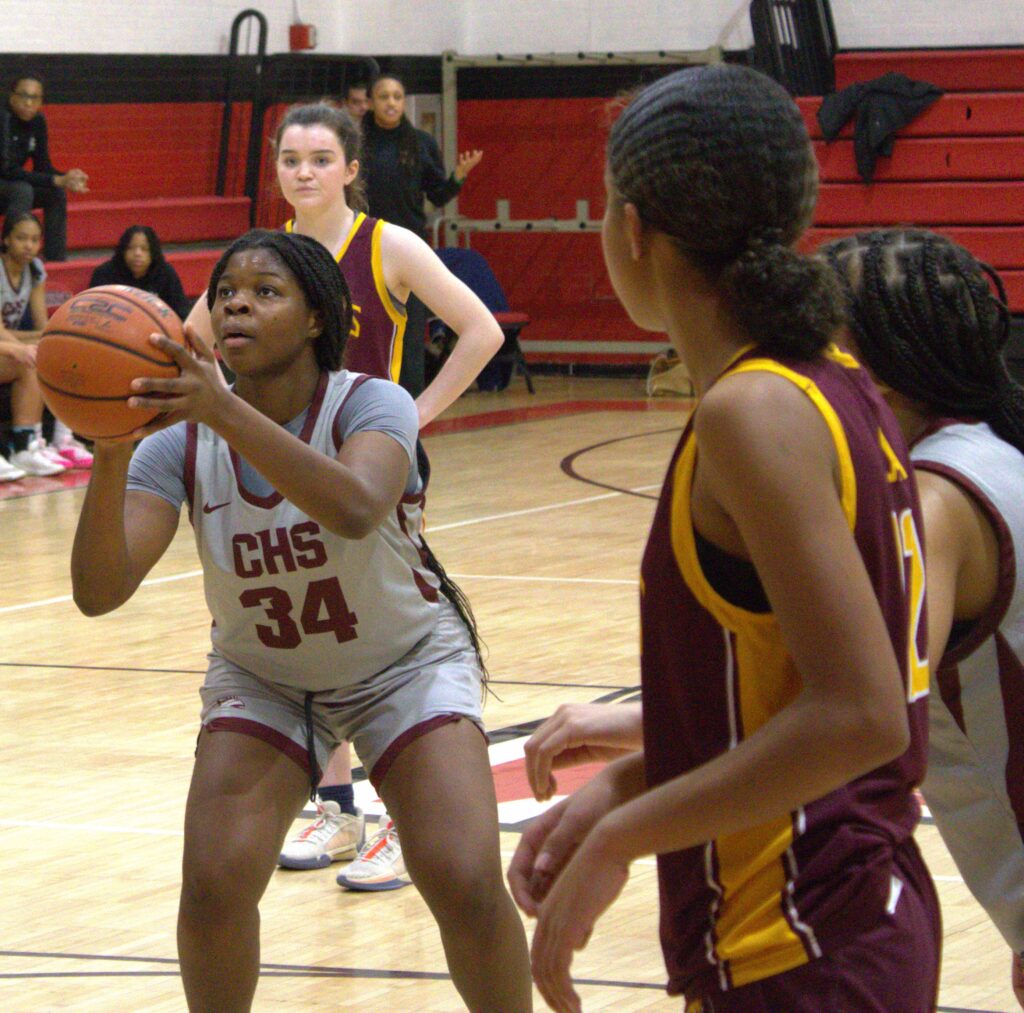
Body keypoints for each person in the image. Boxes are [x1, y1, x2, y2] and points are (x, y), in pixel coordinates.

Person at [507, 64, 939, 1013]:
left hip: (804, 936)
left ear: (634, 229)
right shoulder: (828, 379)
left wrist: (628, 830)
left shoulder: (752, 410)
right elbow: (791, 696)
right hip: (842, 919)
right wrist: (629, 778)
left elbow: (863, 713)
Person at [71, 228, 532, 1012]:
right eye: (225, 294)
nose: (237, 303)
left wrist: (220, 408)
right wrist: (111, 454)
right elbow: (99, 590)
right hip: (268, 679)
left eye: (265, 290)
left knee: (461, 876)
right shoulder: (178, 444)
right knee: (213, 885)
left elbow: (355, 508)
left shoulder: (371, 403)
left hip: (406, 664)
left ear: (318, 317)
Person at [184, 100, 504, 890]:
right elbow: (193, 341)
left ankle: (400, 815)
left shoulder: (387, 244)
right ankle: (337, 810)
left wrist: (417, 414)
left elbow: (482, 330)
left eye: (320, 159)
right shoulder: (264, 258)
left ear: (352, 169)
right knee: (305, 624)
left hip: (368, 463)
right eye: (290, 159)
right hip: (276, 461)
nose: (303, 172)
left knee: (375, 626)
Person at [821, 227, 1024, 1009]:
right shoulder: (993, 448)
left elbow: (859, 718)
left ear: (880, 372)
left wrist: (634, 787)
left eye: (818, 348)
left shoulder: (939, 502)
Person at [362, 74, 484, 396]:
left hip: (411, 249)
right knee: (369, 328)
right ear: (371, 101)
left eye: (397, 96)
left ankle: (410, 404)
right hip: (365, 245)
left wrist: (458, 176)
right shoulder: (355, 142)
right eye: (384, 96)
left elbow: (440, 194)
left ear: (404, 103)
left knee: (411, 331)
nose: (391, 102)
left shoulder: (420, 143)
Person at [0, 211, 75, 476]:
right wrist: (19, 347)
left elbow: (42, 326)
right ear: (7, 239)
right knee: (27, 354)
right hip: (4, 339)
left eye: (34, 239)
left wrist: (45, 340)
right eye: (21, 238)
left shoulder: (35, 270)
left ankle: (27, 447)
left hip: (7, 338)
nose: (28, 245)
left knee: (36, 357)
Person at [0, 75, 88, 262]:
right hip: (7, 184)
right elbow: (6, 169)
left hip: (9, 188)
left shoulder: (38, 121)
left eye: (34, 98)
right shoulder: (3, 117)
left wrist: (67, 178)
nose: (28, 102)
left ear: (41, 101)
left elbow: (42, 166)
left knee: (55, 193)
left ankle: (56, 262)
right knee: (22, 190)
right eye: (23, 96)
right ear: (12, 97)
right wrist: (55, 180)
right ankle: (10, 259)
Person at [89, 225, 191, 319]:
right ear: (122, 251)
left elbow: (181, 313)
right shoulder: (105, 274)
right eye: (131, 248)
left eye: (144, 249)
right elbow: (91, 312)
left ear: (153, 253)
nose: (137, 253)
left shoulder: (165, 274)